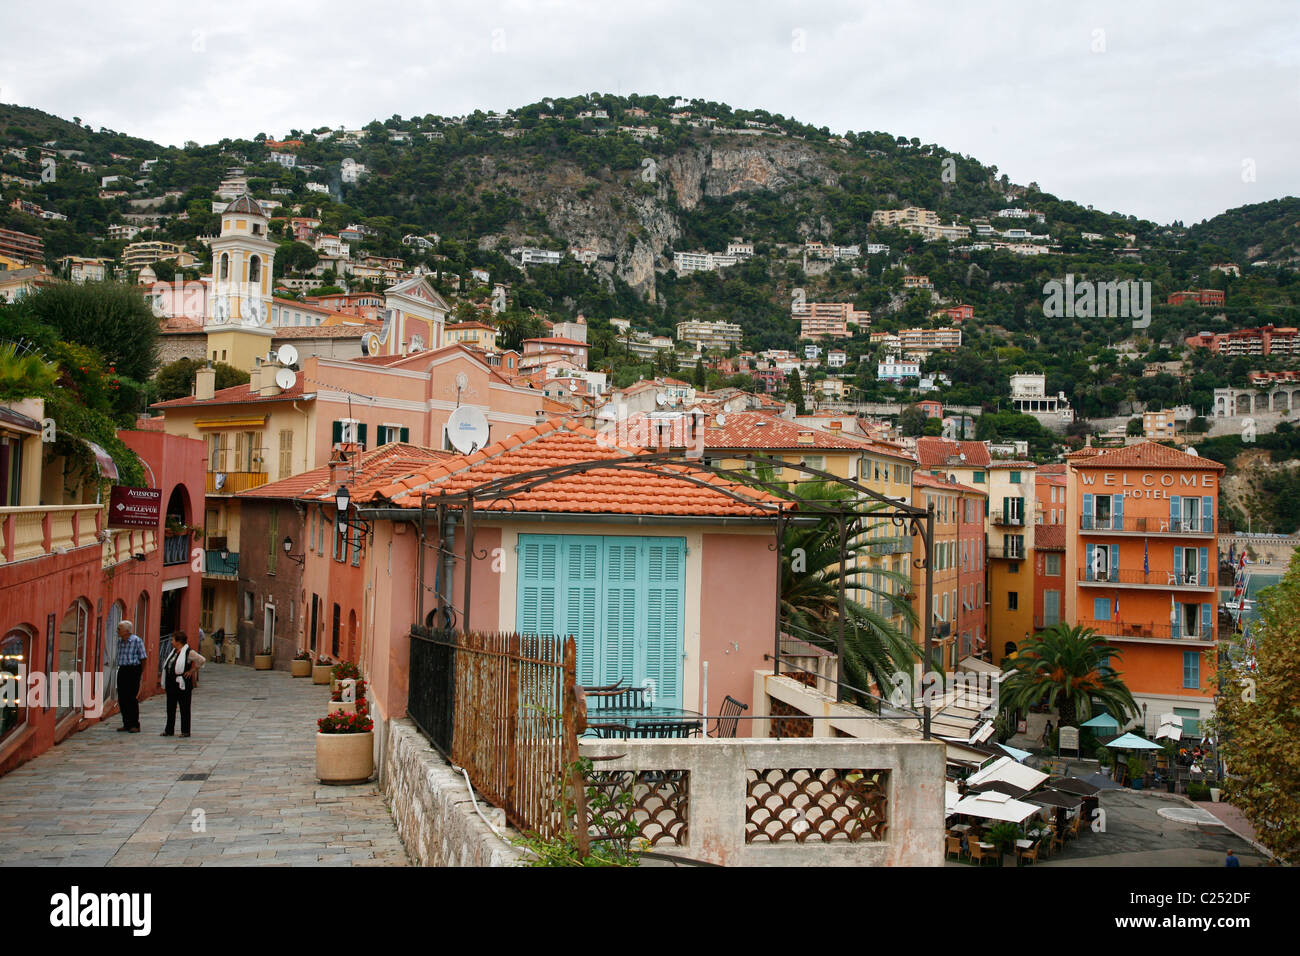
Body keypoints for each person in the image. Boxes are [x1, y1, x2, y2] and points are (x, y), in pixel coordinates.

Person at [160, 631, 205, 738]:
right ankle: (169, 730)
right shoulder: (174, 652)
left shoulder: (188, 652)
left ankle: (185, 731)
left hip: (182, 683)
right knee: (170, 707)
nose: (171, 642)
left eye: (173, 640)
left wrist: (192, 671)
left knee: (184, 707)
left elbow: (201, 660)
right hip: (171, 683)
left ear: (179, 641)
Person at [114, 620, 147, 733]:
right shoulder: (120, 642)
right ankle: (126, 723)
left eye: (119, 628)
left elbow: (143, 658)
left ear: (127, 631)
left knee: (131, 698)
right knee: (122, 698)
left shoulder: (137, 641)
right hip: (123, 669)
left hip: (133, 670)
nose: (117, 630)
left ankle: (134, 724)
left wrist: (139, 672)